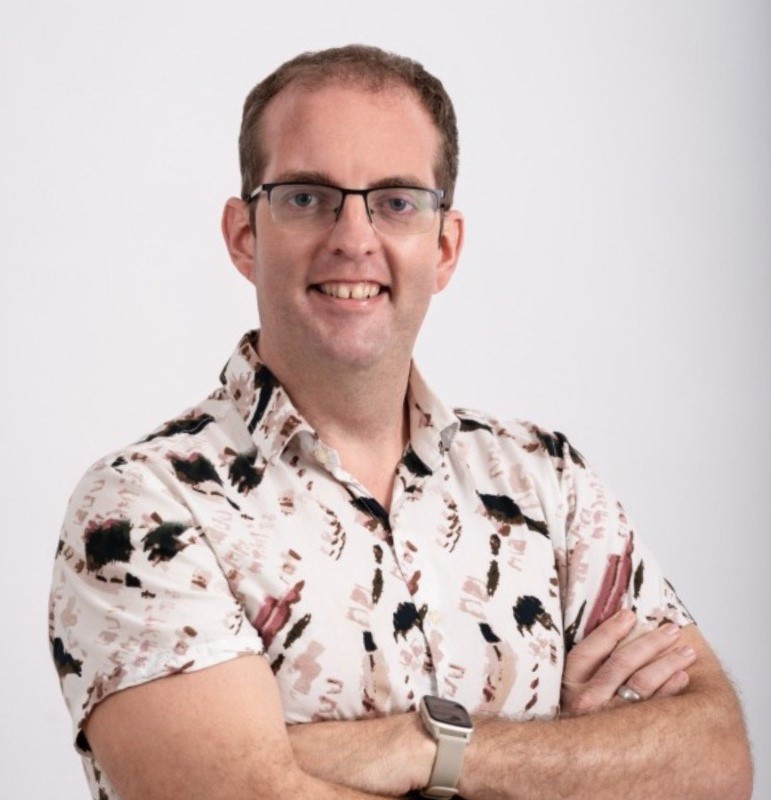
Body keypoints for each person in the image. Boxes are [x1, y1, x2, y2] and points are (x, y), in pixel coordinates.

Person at [49, 45, 752, 799]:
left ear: (443, 247)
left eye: (396, 202)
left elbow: (716, 762)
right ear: (244, 235)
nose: (353, 238)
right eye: (306, 197)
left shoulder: (549, 483)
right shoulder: (145, 509)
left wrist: (423, 748)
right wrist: (576, 760)